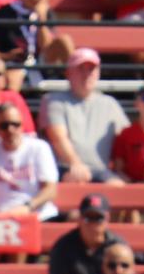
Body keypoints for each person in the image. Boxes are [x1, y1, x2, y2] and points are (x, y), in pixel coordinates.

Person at [45, 49, 126, 186]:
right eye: (80, 69)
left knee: (119, 187)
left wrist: (122, 169)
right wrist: (75, 164)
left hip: (102, 171)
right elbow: (58, 138)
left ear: (98, 73)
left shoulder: (110, 104)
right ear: (68, 73)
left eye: (91, 69)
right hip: (65, 169)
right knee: (73, 181)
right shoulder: (53, 100)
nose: (86, 74)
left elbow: (125, 139)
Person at [46, 192, 122, 274]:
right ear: (79, 219)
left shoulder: (117, 247)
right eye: (88, 218)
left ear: (107, 219)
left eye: (98, 218)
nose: (92, 224)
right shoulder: (64, 245)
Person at [0, 102, 58, 218]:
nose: (10, 130)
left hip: (38, 215)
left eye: (15, 124)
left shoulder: (39, 148)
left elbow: (50, 189)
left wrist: (27, 207)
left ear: (22, 126)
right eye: (4, 126)